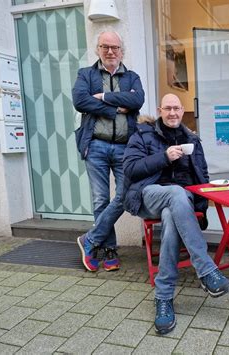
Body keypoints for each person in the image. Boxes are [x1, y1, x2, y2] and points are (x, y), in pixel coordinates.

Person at [123, 94, 229, 335]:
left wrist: (202, 210)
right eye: (168, 108)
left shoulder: (193, 140)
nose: (172, 112)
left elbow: (202, 177)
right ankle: (206, 270)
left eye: (176, 108)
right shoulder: (142, 134)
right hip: (148, 194)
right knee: (175, 193)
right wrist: (164, 157)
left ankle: (163, 299)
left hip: (181, 203)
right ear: (160, 110)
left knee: (172, 214)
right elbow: (130, 169)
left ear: (183, 111)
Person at [72, 30, 145, 272]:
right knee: (100, 199)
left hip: (126, 147)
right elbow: (80, 101)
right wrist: (115, 108)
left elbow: (137, 101)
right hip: (96, 145)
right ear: (98, 50)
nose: (110, 51)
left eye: (114, 47)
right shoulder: (86, 74)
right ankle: (109, 249)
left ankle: (89, 240)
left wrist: (103, 97)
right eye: (105, 47)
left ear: (122, 51)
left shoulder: (132, 77)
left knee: (124, 196)